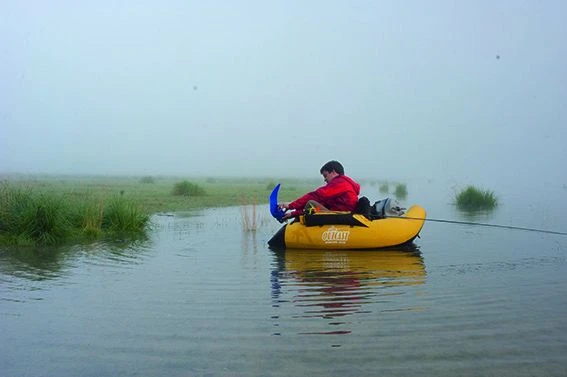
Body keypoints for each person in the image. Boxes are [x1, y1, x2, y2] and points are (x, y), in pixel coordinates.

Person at [279, 160, 360, 220]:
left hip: (340, 215)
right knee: (313, 207)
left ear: (333, 172)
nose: (325, 180)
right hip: (337, 213)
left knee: (311, 203)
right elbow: (322, 204)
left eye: (325, 176)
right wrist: (293, 214)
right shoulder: (341, 185)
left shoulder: (340, 183)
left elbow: (316, 196)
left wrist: (290, 206)